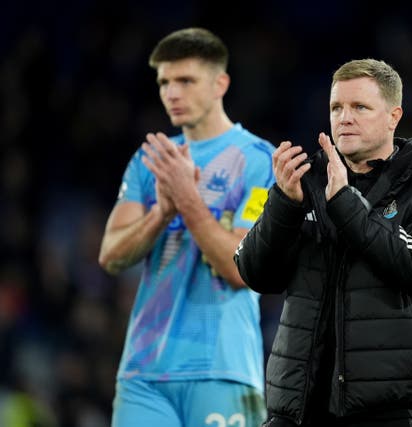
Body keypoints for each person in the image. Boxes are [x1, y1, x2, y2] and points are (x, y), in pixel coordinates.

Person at [234, 58, 412, 427]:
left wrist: (342, 201)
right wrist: (284, 205)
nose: (344, 117)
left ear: (393, 116)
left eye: (360, 107)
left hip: (387, 411)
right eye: (336, 107)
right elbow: (255, 273)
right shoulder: (303, 182)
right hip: (296, 409)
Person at [98, 28, 274, 427]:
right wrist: (160, 213)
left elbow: (239, 268)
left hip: (223, 368)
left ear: (220, 83)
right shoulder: (150, 160)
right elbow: (110, 255)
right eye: (164, 82)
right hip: (143, 371)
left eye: (185, 81)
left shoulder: (263, 162)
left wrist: (187, 200)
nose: (171, 93)